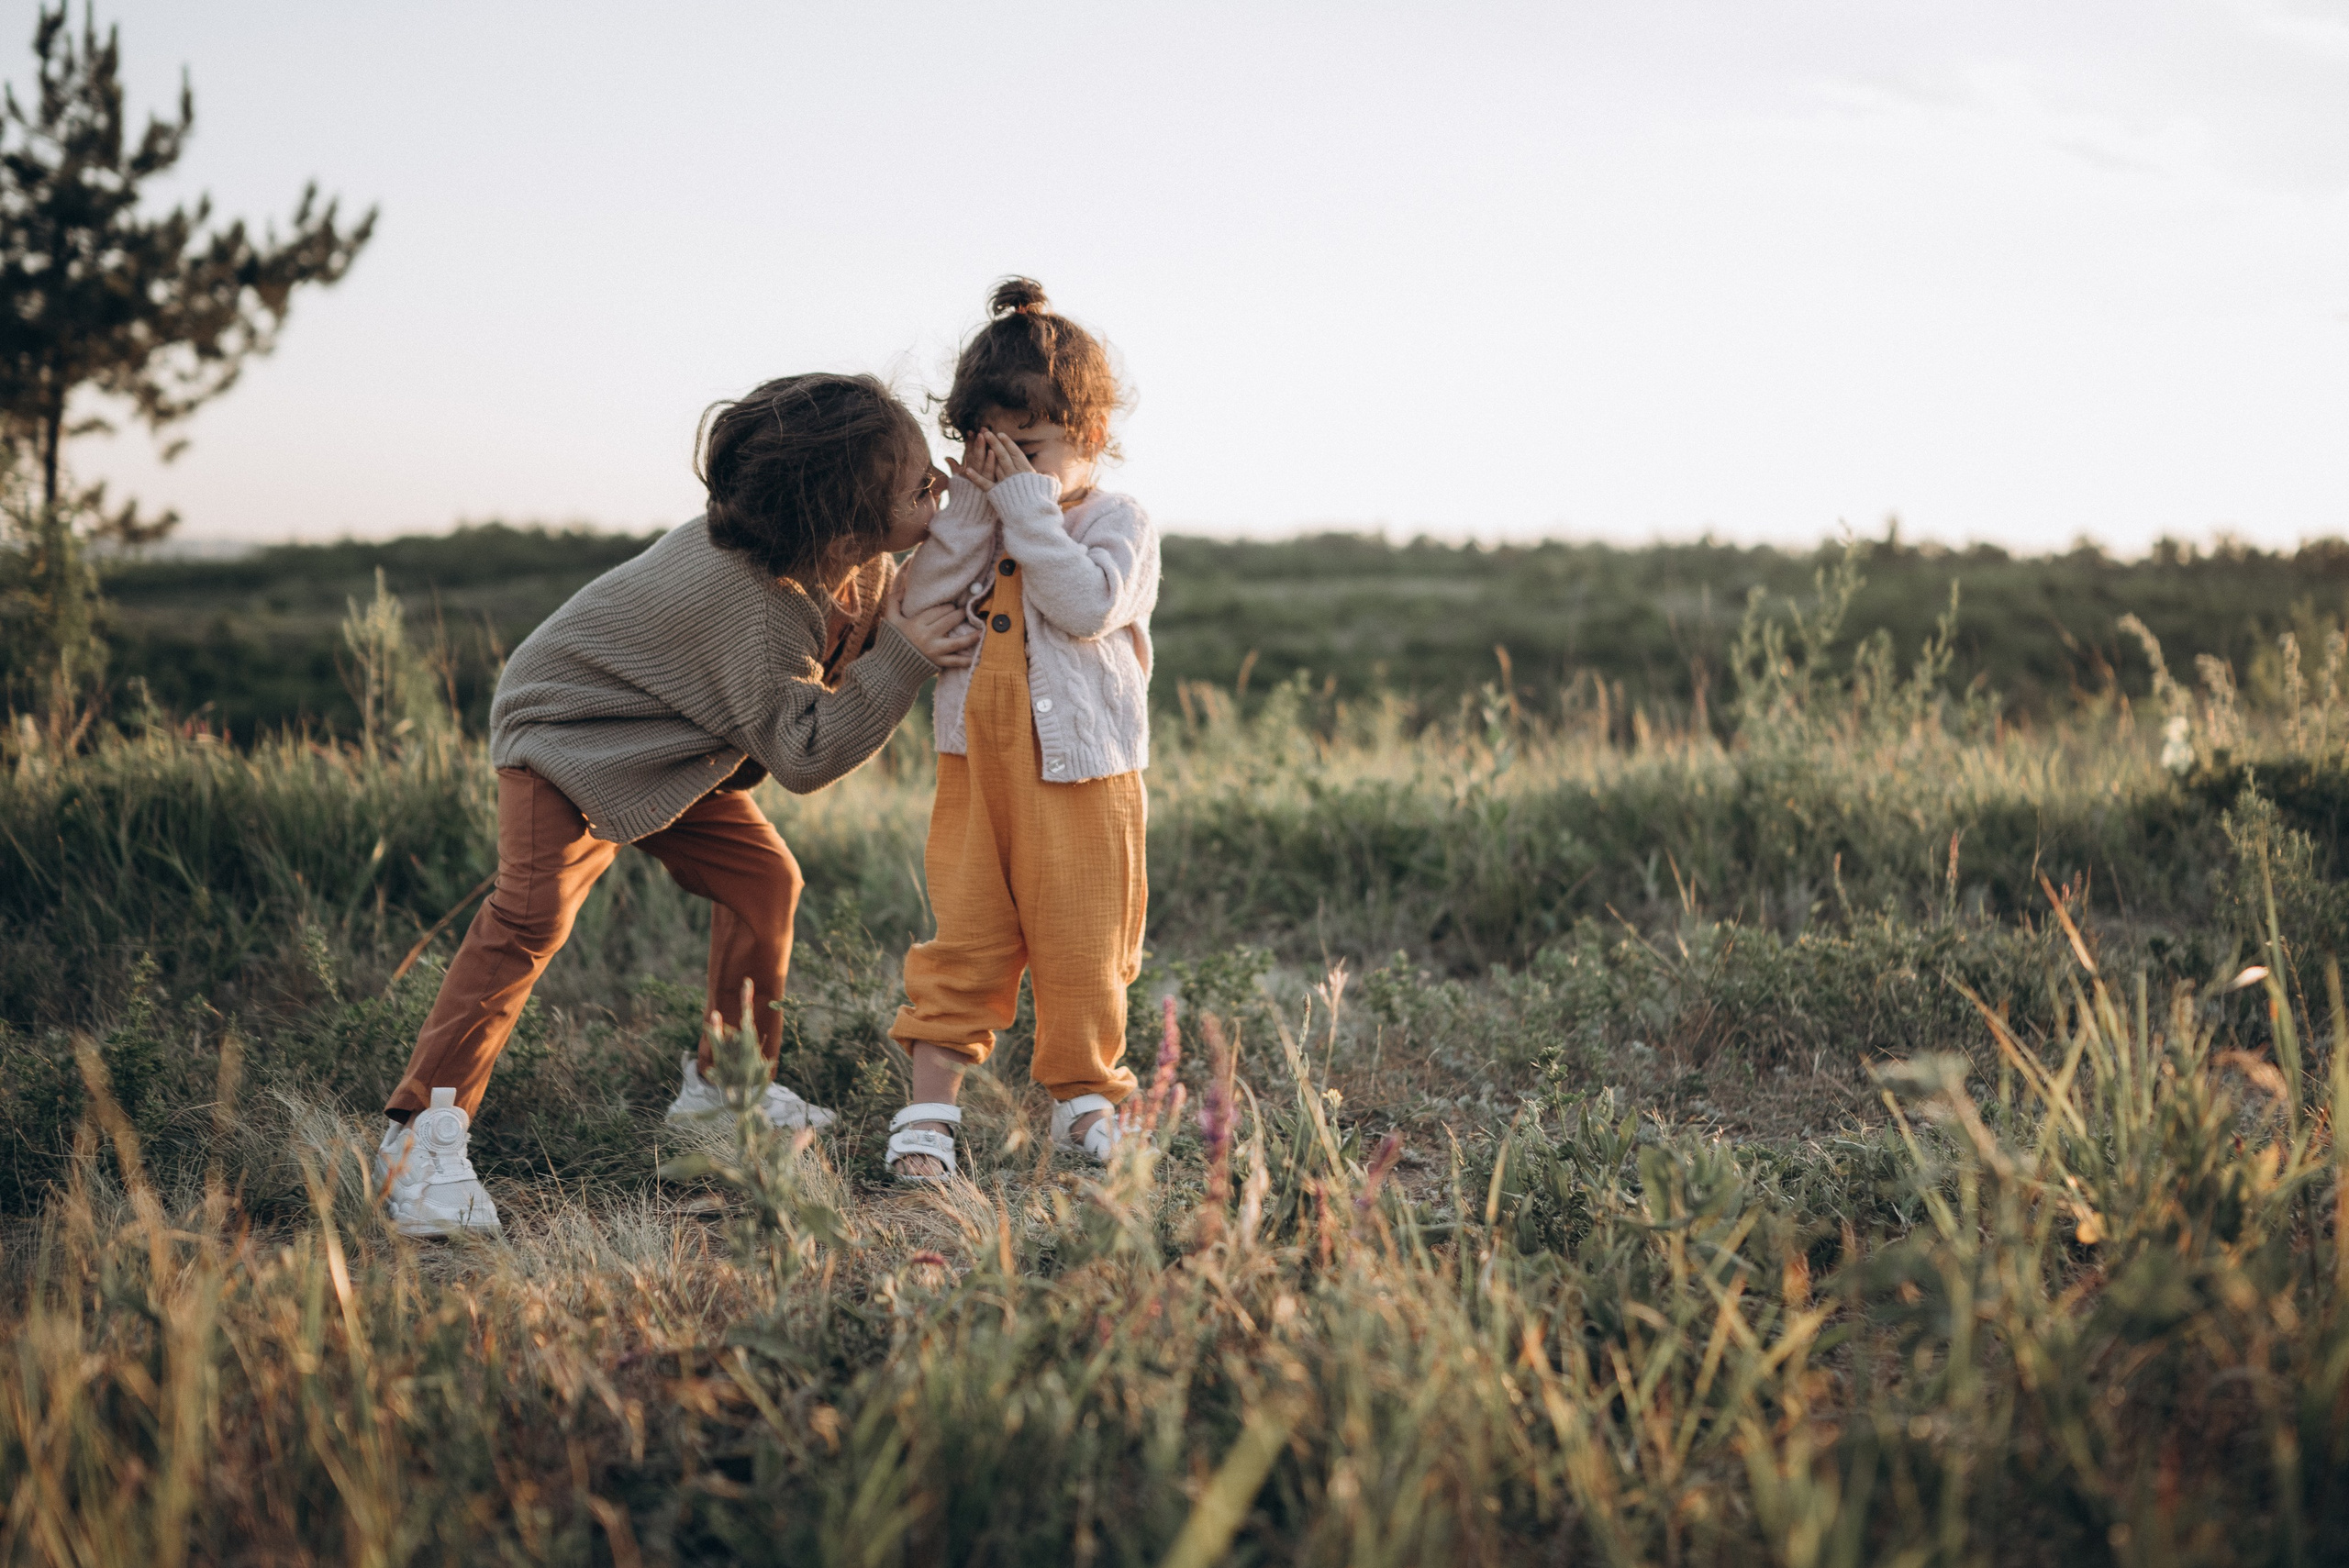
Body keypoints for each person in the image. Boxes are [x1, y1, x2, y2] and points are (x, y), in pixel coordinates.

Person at [376, 373, 978, 1235]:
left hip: (671, 745)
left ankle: (723, 1092)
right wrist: (905, 660)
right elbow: (805, 751)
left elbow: (880, 624)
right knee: (528, 919)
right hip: (567, 735)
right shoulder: (756, 604)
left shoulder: (854, 559)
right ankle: (415, 1136)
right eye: (923, 488)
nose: (941, 492)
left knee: (764, 882)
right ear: (844, 518)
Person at [884, 279, 1160, 1181]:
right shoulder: (984, 518)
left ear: (1087, 435)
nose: (1003, 469)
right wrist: (970, 514)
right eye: (982, 447)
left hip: (1083, 779)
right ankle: (930, 1111)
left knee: (1084, 943)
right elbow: (917, 603)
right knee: (963, 934)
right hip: (977, 772)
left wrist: (1029, 512)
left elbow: (1083, 605)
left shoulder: (1115, 520)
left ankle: (1083, 1102)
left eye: (1028, 449)